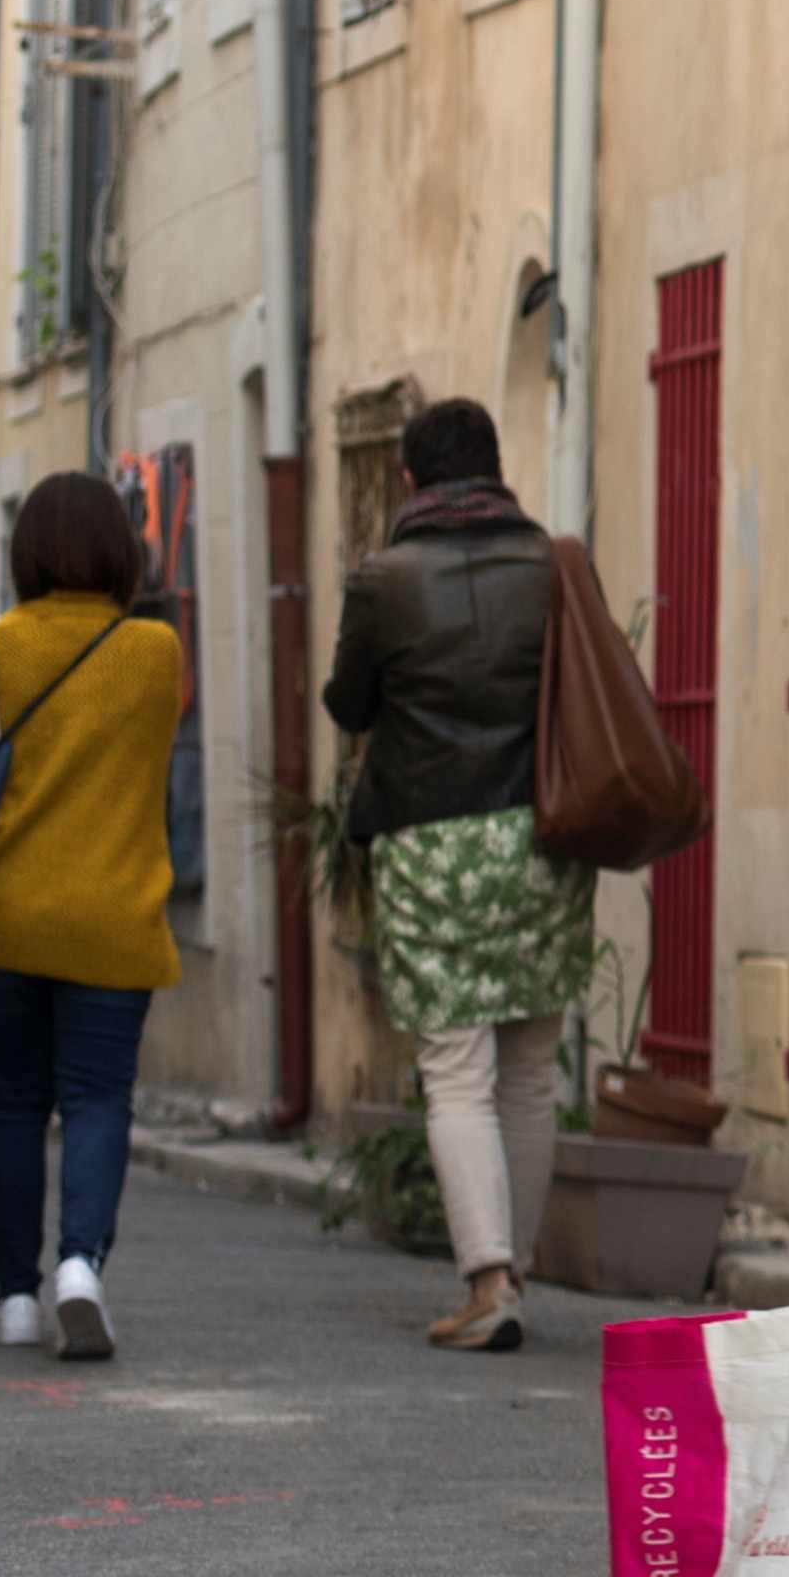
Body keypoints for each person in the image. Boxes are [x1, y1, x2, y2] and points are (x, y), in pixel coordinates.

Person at [323, 398, 591, 1354]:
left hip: (432, 841)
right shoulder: (552, 566)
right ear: (497, 466)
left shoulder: (385, 580)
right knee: (526, 1070)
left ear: (409, 480)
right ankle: (508, 1269)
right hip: (544, 835)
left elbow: (347, 701)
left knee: (457, 1069)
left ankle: (488, 1278)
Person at [0, 474, 186, 1359]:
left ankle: (14, 1295)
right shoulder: (155, 650)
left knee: (9, 1103)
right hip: (113, 920)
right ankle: (80, 1263)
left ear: (25, 552)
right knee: (95, 1099)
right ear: (120, 551)